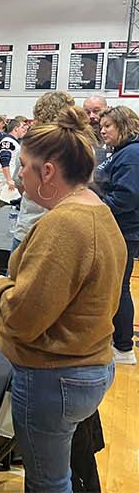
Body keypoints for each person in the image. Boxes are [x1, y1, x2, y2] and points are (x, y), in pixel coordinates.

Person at [0, 105, 120, 491]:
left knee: (48, 482)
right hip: (88, 364)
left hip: (56, 375)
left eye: (24, 167)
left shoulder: (64, 224)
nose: (19, 177)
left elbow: (23, 318)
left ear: (47, 172)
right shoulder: (96, 210)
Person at [92, 106, 139, 365]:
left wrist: (94, 207)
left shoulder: (131, 154)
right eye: (102, 126)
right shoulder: (121, 152)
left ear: (123, 125)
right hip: (116, 228)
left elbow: (126, 197)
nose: (103, 130)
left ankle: (123, 347)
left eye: (108, 125)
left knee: (118, 287)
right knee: (113, 286)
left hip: (123, 230)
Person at [0, 117, 23, 204]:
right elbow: (4, 160)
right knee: (7, 205)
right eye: (22, 127)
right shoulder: (8, 141)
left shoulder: (14, 142)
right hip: (8, 181)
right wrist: (9, 179)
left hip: (11, 179)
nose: (23, 130)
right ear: (16, 129)